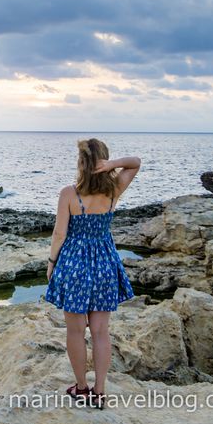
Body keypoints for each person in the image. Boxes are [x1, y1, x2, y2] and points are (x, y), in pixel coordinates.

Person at [44, 138, 141, 409]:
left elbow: (59, 234)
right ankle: (100, 391)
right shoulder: (113, 191)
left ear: (81, 163)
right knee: (100, 331)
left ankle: (82, 388)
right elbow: (135, 163)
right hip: (104, 264)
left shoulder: (68, 193)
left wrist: (52, 263)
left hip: (74, 265)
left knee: (75, 331)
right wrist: (113, 165)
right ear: (103, 162)